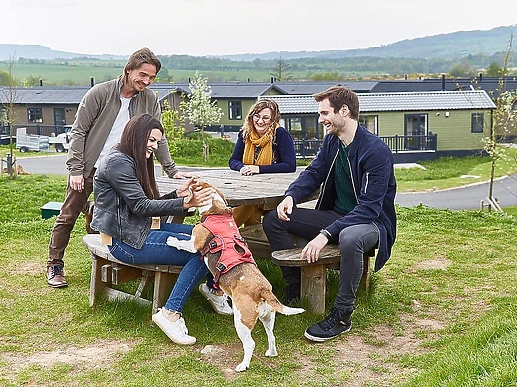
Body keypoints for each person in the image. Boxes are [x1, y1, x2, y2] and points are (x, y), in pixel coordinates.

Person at [262, 86, 397, 342]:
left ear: (343, 111)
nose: (321, 119)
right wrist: (291, 196)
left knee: (349, 237)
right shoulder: (332, 141)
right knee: (273, 219)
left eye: (325, 113)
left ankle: (343, 314)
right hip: (338, 216)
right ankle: (295, 289)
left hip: (372, 223)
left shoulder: (376, 151)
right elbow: (314, 173)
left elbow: (369, 207)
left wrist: (325, 234)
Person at [46, 47, 186, 288]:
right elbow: (79, 132)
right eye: (142, 75)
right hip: (92, 167)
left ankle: (138, 258)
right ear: (128, 70)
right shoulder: (99, 93)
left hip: (129, 169)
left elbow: (158, 135)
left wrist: (172, 169)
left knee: (136, 211)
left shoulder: (149, 99)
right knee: (68, 215)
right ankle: (54, 264)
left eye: (151, 78)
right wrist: (76, 169)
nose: (146, 81)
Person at [91, 113, 219, 345]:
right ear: (136, 136)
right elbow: (141, 207)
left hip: (138, 230)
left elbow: (143, 204)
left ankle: (213, 288)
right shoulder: (118, 162)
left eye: (157, 142)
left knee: (210, 237)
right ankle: (170, 313)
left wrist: (176, 195)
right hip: (125, 242)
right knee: (205, 250)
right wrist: (185, 203)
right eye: (151, 140)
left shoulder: (128, 157)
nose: (154, 146)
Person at [229, 99, 296, 227]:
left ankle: (217, 233)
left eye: (265, 118)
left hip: (273, 192)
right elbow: (233, 161)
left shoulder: (280, 134)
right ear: (251, 116)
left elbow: (290, 165)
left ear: (273, 119)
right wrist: (242, 167)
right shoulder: (245, 134)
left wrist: (258, 169)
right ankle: (246, 245)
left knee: (249, 207)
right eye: (257, 116)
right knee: (252, 216)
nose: (260, 121)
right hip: (247, 190)